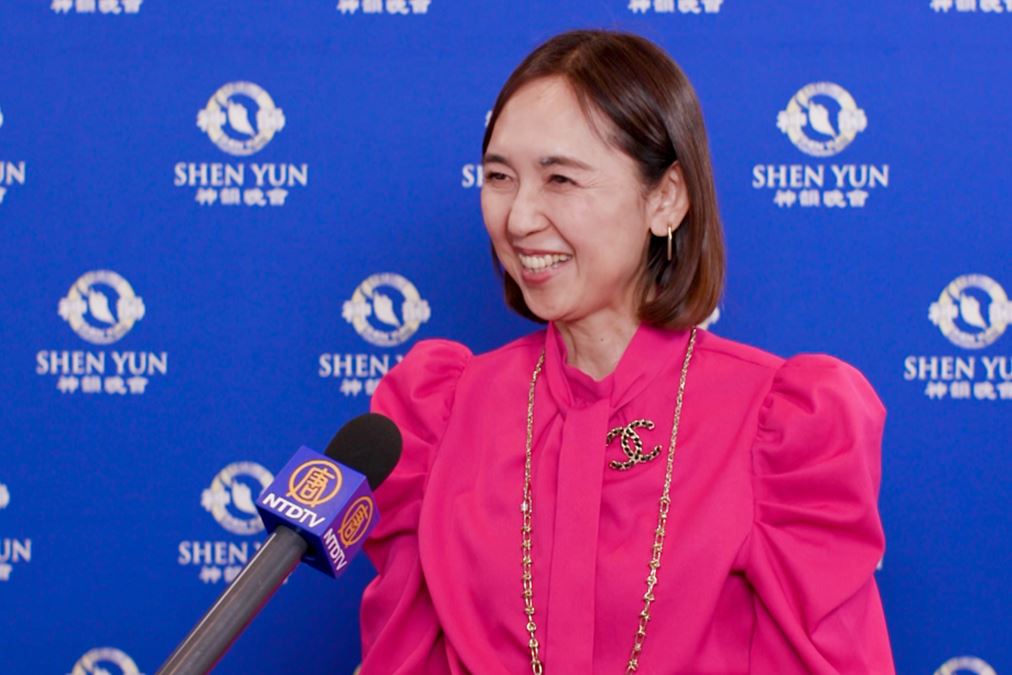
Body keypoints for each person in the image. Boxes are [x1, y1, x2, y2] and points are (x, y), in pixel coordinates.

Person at [360, 29, 894, 674]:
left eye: (560, 179)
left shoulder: (778, 424)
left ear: (666, 198)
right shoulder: (440, 413)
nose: (519, 218)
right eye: (499, 177)